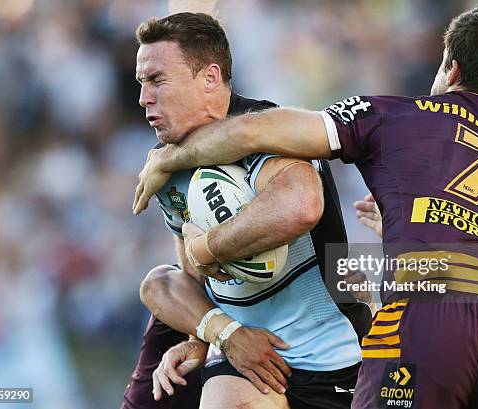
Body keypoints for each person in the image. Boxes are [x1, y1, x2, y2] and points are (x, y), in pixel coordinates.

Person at [132, 6, 478, 409]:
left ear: (451, 68)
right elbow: (472, 259)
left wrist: (168, 161)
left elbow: (256, 132)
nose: (145, 97)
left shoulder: (399, 115)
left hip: (424, 320)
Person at [124, 12, 370, 409]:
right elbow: (189, 269)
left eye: (157, 81)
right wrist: (207, 337)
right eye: (142, 83)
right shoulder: (165, 166)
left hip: (337, 357)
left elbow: (301, 207)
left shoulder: (268, 131)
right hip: (248, 357)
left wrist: (209, 249)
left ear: (209, 78)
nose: (144, 98)